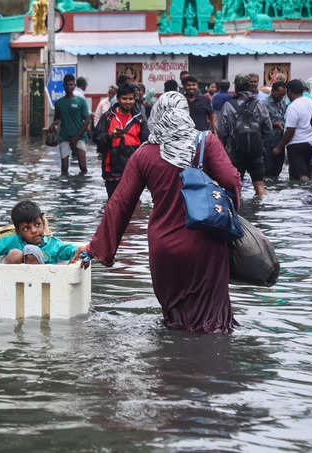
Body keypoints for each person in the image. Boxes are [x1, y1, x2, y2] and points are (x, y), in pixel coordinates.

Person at [72, 92, 242, 333]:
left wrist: (97, 249)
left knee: (174, 320)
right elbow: (231, 180)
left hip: (164, 248)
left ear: (157, 116)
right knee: (212, 324)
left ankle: (171, 365)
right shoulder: (207, 142)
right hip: (206, 245)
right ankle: (207, 363)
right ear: (185, 113)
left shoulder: (144, 153)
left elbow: (120, 204)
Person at [217, 74, 272, 196]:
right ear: (249, 86)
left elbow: (221, 131)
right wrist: (259, 141)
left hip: (235, 152)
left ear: (236, 87)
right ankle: (261, 209)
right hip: (256, 151)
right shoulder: (259, 104)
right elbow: (268, 128)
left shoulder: (228, 105)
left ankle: (238, 211)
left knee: (236, 184)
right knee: (259, 184)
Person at [93, 83, 150, 198]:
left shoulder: (139, 120)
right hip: (112, 171)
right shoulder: (108, 117)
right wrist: (110, 136)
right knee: (114, 205)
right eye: (124, 99)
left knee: (131, 206)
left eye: (130, 99)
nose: (128, 102)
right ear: (118, 99)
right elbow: (96, 137)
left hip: (134, 170)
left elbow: (146, 144)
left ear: (135, 99)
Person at [0, 201, 78, 264]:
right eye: (26, 228)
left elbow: (68, 250)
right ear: (18, 232)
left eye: (37, 225)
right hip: (10, 287)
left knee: (31, 251)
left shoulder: (53, 244)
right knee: (15, 254)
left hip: (43, 287)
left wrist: (79, 250)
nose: (34, 231)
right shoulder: (12, 240)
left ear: (43, 223)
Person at [272, 79, 312, 182]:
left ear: (289, 92)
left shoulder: (293, 106)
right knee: (310, 174)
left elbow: (290, 131)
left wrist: (279, 147)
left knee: (300, 175)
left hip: (297, 146)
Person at [50, 74, 91, 176]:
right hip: (64, 137)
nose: (69, 87)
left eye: (71, 84)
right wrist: (53, 125)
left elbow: (87, 120)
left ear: (74, 85)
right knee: (64, 170)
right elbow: (57, 119)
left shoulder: (81, 101)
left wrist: (76, 138)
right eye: (67, 85)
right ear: (63, 85)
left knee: (83, 167)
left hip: (80, 137)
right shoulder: (59, 103)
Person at [262, 81, 287, 178]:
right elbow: (258, 122)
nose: (281, 97)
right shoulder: (264, 104)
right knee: (267, 171)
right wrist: (273, 124)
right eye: (279, 95)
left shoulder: (282, 103)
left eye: (283, 95)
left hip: (280, 142)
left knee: (278, 170)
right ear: (273, 91)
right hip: (268, 143)